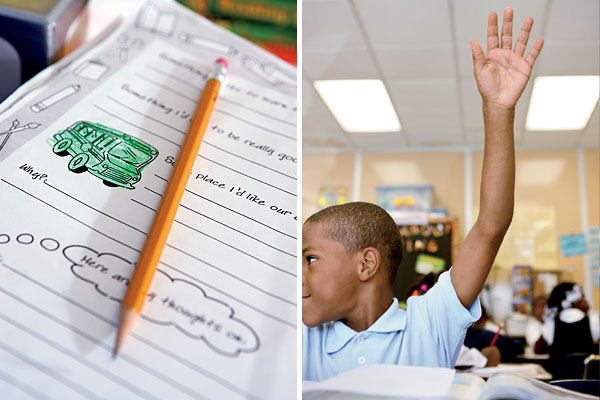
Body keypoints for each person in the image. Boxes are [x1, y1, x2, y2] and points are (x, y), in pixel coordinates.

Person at [302, 7, 544, 382]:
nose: (298, 276)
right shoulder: (301, 338)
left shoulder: (429, 321)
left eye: (310, 259)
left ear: (367, 264)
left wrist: (498, 111)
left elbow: (490, 227)